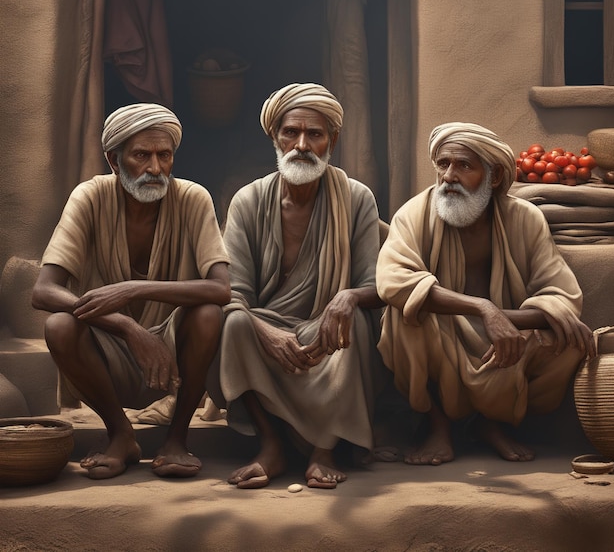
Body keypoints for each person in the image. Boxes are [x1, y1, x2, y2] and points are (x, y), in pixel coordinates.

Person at [376, 122, 595, 465]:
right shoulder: (414, 214)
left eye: (463, 166)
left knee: (568, 336)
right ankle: (439, 428)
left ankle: (489, 425)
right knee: (401, 317)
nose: (448, 176)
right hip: (442, 333)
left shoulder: (526, 219)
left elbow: (562, 295)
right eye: (443, 164)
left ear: (493, 177)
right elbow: (393, 280)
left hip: (506, 338)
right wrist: (483, 309)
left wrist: (504, 319)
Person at [32, 103, 230, 480]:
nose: (155, 168)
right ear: (113, 159)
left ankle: (177, 439)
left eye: (164, 155)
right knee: (58, 326)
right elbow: (43, 291)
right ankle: (120, 435)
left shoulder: (193, 198)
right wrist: (126, 326)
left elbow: (221, 289)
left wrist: (133, 289)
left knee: (209, 316)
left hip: (172, 353)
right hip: (106, 347)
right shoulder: (89, 197)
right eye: (142, 155)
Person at [214, 82, 384, 489]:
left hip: (326, 333)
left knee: (355, 321)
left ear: (333, 141)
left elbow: (377, 284)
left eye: (315, 134)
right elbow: (231, 294)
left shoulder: (357, 198)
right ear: (275, 136)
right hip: (267, 333)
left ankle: (323, 450)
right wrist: (265, 331)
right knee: (233, 323)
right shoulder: (248, 201)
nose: (302, 144)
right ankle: (270, 444)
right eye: (291, 132)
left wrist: (348, 296)